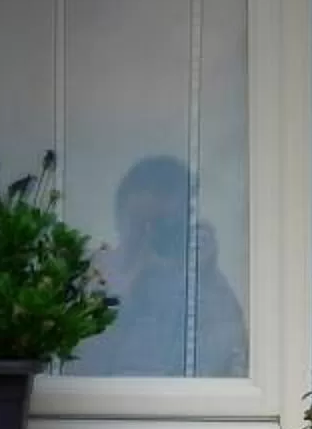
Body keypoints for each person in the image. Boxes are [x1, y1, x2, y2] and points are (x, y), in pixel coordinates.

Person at [81, 154, 246, 376]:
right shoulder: (91, 275)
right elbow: (78, 368)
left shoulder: (203, 284)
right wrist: (124, 293)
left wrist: (204, 278)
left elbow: (228, 362)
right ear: (120, 218)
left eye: (162, 225)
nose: (150, 235)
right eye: (141, 224)